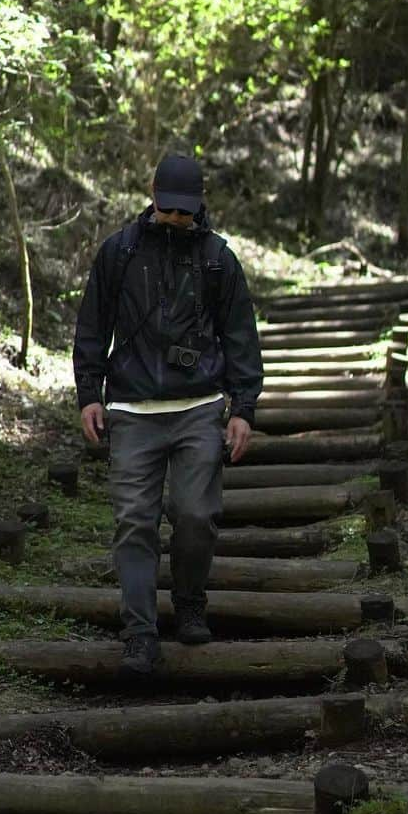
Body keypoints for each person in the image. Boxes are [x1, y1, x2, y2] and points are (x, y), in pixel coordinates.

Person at [72, 152, 263, 674]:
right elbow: (92, 326)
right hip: (131, 408)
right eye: (169, 208)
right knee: (134, 521)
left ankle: (190, 600)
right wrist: (89, 393)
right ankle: (139, 632)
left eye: (186, 210)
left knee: (195, 515)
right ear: (152, 195)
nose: (177, 218)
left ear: (200, 205)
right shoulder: (119, 253)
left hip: (200, 407)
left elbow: (241, 336)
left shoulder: (218, 259)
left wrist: (243, 408)